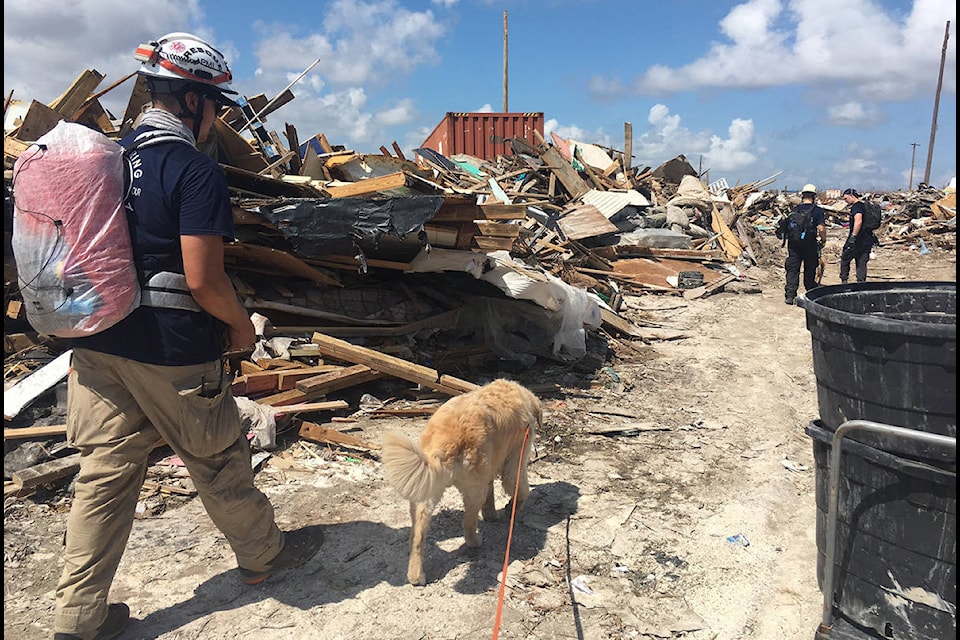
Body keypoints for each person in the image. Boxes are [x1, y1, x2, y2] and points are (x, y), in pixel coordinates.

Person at [52, 33, 322, 640]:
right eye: (217, 104)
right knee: (219, 459)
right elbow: (203, 279)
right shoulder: (192, 170)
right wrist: (238, 327)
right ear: (194, 100)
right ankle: (263, 556)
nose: (220, 116)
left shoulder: (103, 160)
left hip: (97, 341)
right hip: (172, 348)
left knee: (103, 476)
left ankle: (77, 619)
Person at [783, 184, 827, 305]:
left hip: (793, 244)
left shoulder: (795, 209)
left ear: (802, 196)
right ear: (814, 196)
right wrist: (823, 240)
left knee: (792, 269)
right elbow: (821, 228)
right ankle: (810, 293)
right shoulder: (817, 210)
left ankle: (790, 295)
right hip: (809, 244)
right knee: (810, 269)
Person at [839, 188, 875, 283]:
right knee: (861, 263)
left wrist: (853, 236)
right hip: (867, 240)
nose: (845, 201)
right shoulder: (864, 206)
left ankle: (844, 282)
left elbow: (858, 220)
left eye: (846, 199)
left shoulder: (857, 207)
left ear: (851, 196)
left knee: (845, 259)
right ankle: (861, 284)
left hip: (857, 240)